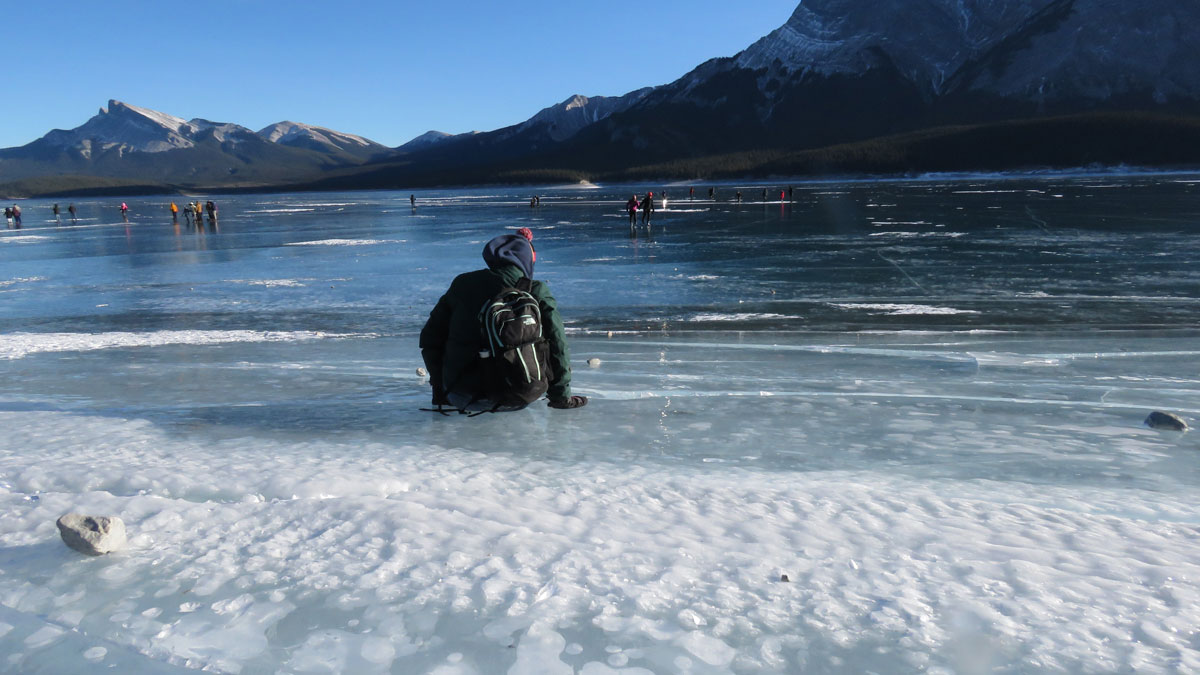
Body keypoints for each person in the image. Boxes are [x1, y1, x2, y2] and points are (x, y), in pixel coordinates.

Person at [420, 231, 587, 412]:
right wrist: (560, 396)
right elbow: (558, 343)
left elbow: (430, 338)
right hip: (519, 396)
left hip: (461, 395)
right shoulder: (535, 290)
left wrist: (441, 391)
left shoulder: (463, 284)